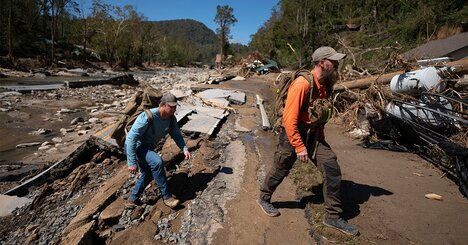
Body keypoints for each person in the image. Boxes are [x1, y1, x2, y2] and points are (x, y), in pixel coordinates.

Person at [257, 47, 359, 236]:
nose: (337, 64)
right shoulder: (302, 85)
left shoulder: (325, 83)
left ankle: (332, 216)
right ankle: (264, 197)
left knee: (331, 168)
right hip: (293, 134)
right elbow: (289, 120)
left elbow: (320, 114)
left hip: (314, 135)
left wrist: (319, 138)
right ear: (322, 63)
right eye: (333, 61)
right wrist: (299, 146)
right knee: (281, 168)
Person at [125, 92, 191, 208]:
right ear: (162, 105)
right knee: (157, 162)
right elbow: (131, 139)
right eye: (171, 106)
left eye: (175, 106)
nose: (173, 109)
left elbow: (176, 135)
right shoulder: (147, 117)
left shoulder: (171, 119)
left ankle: (132, 199)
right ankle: (167, 197)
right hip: (136, 146)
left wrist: (184, 148)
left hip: (148, 147)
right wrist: (131, 162)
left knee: (148, 173)